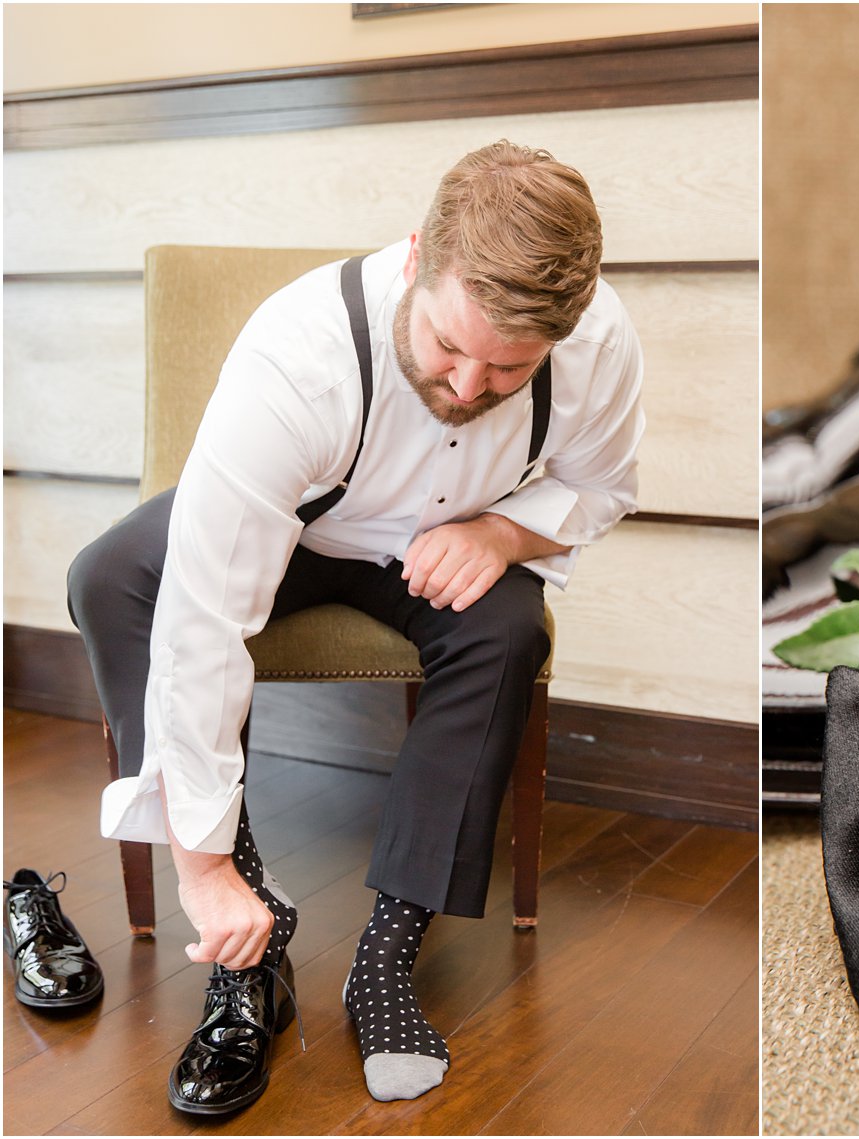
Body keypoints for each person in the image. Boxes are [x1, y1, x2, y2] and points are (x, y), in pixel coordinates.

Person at [66, 139, 644, 1113]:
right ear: (417, 258)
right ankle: (246, 948)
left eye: (507, 368)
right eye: (449, 348)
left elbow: (603, 485)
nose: (468, 386)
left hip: (444, 546)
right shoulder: (298, 355)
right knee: (116, 573)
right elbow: (205, 611)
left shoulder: (597, 345)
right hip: (297, 530)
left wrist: (503, 530)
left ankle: (385, 961)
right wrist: (202, 863)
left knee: (508, 632)